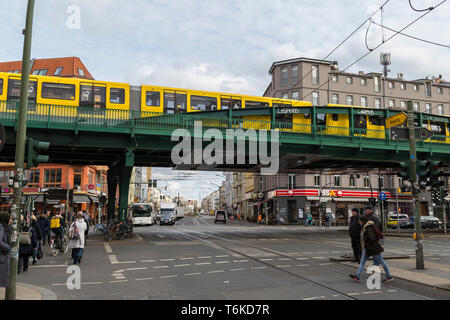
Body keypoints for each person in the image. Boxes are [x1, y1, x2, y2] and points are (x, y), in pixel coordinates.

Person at [349, 215, 393, 283]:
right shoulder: (365, 227)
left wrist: (367, 243)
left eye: (360, 221)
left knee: (381, 261)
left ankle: (389, 276)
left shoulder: (368, 227)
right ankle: (357, 276)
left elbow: (372, 238)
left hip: (372, 248)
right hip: (367, 248)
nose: (359, 223)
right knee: (362, 262)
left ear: (363, 221)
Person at [0, 211, 12, 287]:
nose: (11, 220)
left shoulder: (4, 227)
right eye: (10, 218)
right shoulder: (1, 227)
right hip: (2, 257)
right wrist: (8, 248)